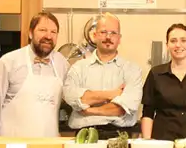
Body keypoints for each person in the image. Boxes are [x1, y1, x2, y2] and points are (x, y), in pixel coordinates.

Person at [0, 11, 69, 138]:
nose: (48, 36)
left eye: (53, 32)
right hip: (12, 142)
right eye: (42, 30)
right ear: (30, 33)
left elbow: (71, 97)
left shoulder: (62, 63)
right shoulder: (9, 62)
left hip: (49, 142)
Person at [62, 12, 144, 140]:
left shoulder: (132, 70)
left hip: (119, 136)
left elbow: (123, 108)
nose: (108, 37)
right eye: (103, 32)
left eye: (113, 33)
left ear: (119, 38)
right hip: (84, 136)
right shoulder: (78, 68)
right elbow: (70, 97)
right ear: (94, 36)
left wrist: (89, 110)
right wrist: (112, 94)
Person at [140, 23, 186, 143]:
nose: (178, 45)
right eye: (173, 41)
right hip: (163, 143)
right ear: (167, 45)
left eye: (183, 40)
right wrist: (147, 142)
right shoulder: (156, 73)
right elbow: (148, 113)